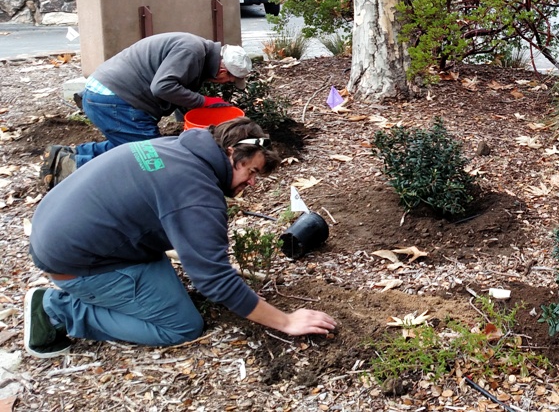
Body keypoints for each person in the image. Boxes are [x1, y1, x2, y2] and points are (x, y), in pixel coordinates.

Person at [24, 117, 336, 358]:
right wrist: (286, 321)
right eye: (250, 171)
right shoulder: (197, 195)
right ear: (231, 153)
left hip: (56, 228)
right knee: (182, 326)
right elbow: (214, 280)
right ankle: (56, 311)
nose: (252, 183)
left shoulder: (178, 147)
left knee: (172, 295)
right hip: (76, 263)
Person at [40, 32, 251, 189]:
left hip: (107, 94)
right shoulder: (191, 50)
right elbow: (162, 87)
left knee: (130, 146)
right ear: (223, 69)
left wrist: (196, 116)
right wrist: (203, 101)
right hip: (115, 100)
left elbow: (177, 89)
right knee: (149, 157)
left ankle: (67, 156)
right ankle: (72, 168)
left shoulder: (198, 52)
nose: (227, 83)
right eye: (230, 79)